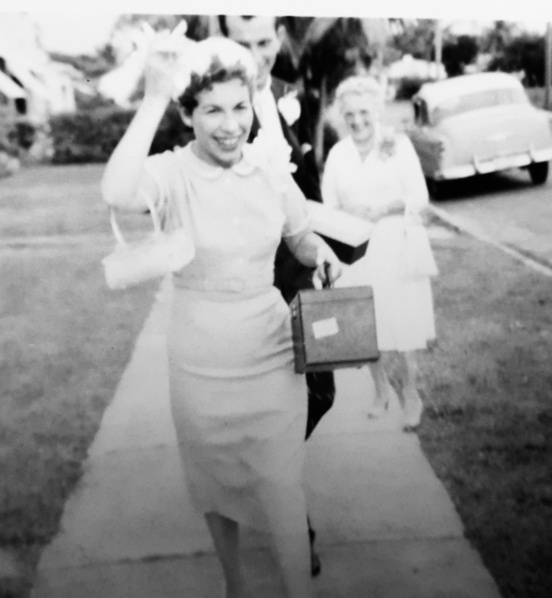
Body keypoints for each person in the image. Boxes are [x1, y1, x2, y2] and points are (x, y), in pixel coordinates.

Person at [100, 32, 343, 598]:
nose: (230, 124)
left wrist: (322, 254)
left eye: (239, 107)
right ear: (188, 114)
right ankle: (234, 583)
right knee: (213, 484)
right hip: (199, 359)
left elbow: (301, 234)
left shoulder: (267, 169)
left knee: (283, 484)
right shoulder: (170, 173)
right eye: (211, 110)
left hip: (271, 349)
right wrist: (154, 94)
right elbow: (116, 192)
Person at [218, 14, 334, 576]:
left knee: (321, 393)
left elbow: (315, 184)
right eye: (242, 43)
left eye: (263, 41)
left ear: (279, 39)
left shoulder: (297, 99)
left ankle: (266, 473)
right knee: (271, 406)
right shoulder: (212, 110)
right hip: (243, 288)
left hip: (303, 276)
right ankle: (295, 522)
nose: (255, 54)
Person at [321, 75, 437, 431]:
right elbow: (329, 205)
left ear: (377, 110)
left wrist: (383, 208)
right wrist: (346, 217)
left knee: (403, 326)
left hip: (394, 246)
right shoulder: (338, 154)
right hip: (357, 252)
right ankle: (380, 389)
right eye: (349, 114)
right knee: (366, 327)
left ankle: (412, 394)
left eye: (363, 113)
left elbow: (419, 198)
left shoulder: (397, 145)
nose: (356, 121)